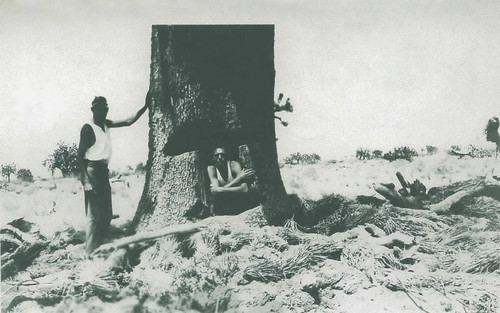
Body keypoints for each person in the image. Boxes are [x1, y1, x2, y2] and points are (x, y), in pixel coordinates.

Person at [77, 94, 150, 254]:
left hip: (103, 172)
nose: (104, 112)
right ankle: (90, 252)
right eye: (100, 109)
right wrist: (86, 181)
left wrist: (145, 107)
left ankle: (100, 246)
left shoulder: (106, 124)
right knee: (94, 215)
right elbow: (80, 156)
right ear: (93, 110)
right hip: (92, 171)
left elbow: (128, 122)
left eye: (106, 109)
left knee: (107, 213)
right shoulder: (88, 128)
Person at [207, 146, 260, 215]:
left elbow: (245, 189)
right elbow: (216, 193)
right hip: (223, 205)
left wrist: (221, 189)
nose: (219, 158)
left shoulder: (234, 165)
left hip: (238, 202)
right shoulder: (211, 169)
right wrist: (238, 179)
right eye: (217, 155)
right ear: (213, 158)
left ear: (227, 157)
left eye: (222, 155)